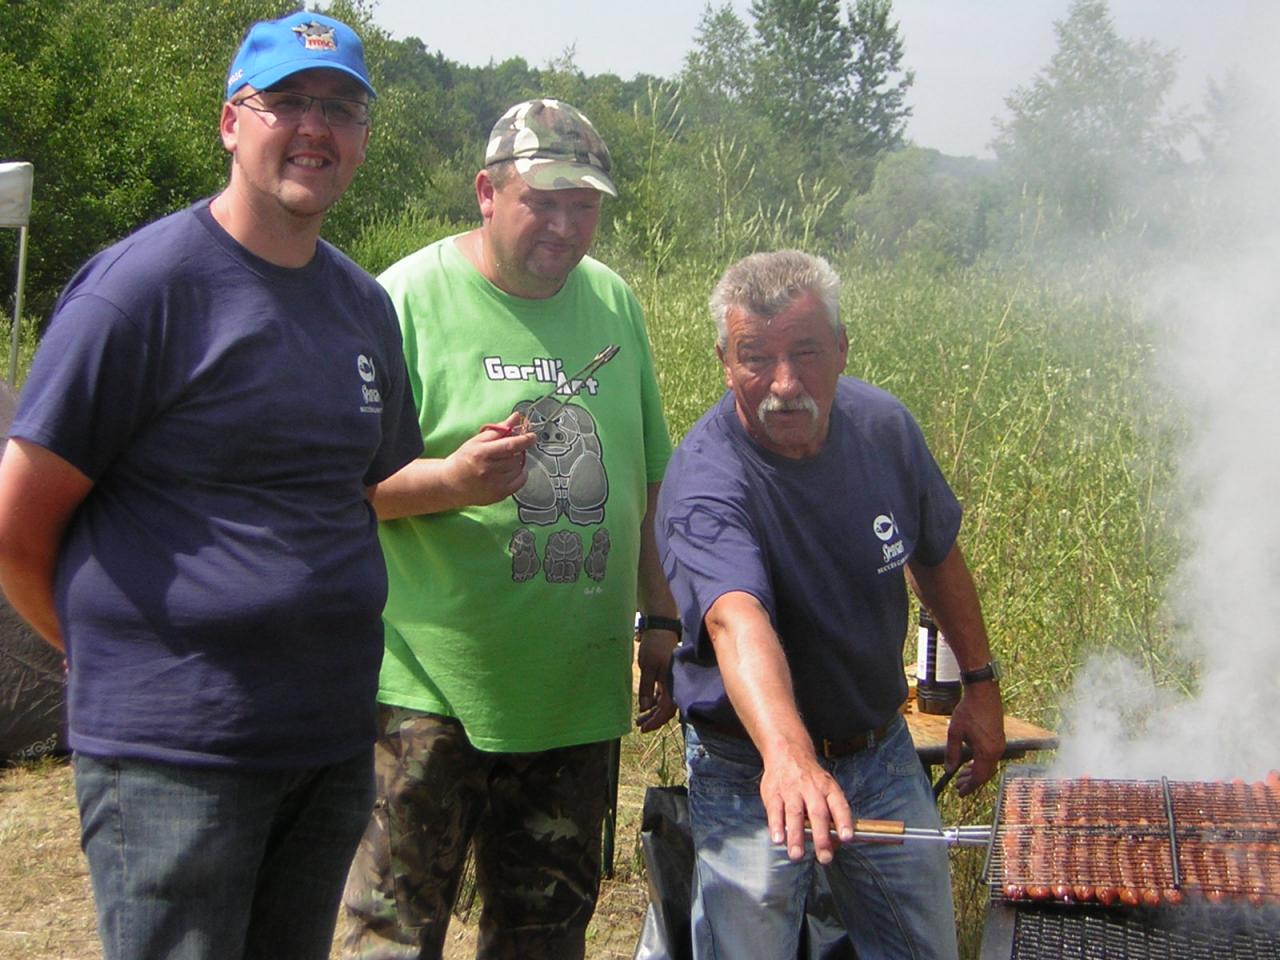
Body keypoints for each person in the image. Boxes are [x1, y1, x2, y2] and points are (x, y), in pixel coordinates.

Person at [0, 12, 422, 960]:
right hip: (174, 755)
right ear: (233, 121)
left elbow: (357, 492)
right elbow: (17, 526)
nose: (316, 127)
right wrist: (101, 652)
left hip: (325, 742)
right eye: (288, 103)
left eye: (343, 109)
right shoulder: (142, 292)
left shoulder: (363, 308)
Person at [340, 99, 679, 960]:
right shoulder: (402, 300)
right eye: (544, 201)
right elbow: (344, 486)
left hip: (569, 694)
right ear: (487, 193)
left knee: (544, 939)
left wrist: (664, 620)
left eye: (586, 205)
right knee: (390, 933)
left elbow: (645, 477)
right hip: (426, 690)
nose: (567, 226)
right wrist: (453, 480)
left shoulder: (614, 305)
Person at [655, 250, 1007, 960]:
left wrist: (981, 684)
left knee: (921, 949)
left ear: (842, 350)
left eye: (806, 353)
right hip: (745, 767)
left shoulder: (883, 429)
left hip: (877, 751)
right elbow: (734, 619)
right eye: (756, 357)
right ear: (725, 361)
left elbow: (934, 553)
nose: (784, 384)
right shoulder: (706, 481)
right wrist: (787, 758)